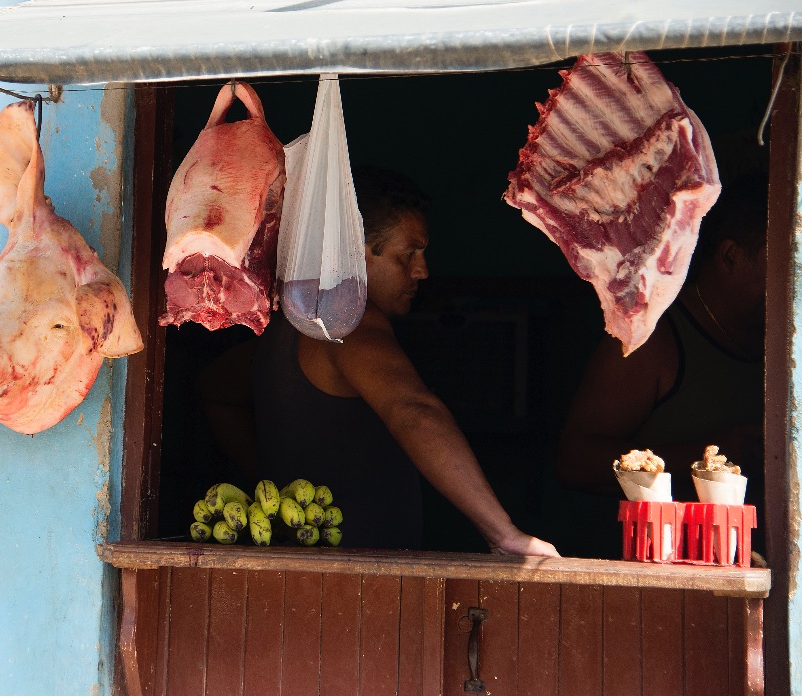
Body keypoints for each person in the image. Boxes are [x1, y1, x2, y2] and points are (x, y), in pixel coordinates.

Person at [200, 166, 558, 556]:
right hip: (356, 581)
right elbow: (413, 409)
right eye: (409, 254)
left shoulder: (287, 328)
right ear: (359, 251)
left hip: (313, 569)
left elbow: (214, 391)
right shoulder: (347, 323)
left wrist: (271, 486)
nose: (422, 271)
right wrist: (502, 534)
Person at [557, 173, 767, 520]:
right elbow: (576, 464)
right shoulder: (652, 338)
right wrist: (711, 458)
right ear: (731, 256)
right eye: (790, 260)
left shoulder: (783, 336)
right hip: (658, 553)